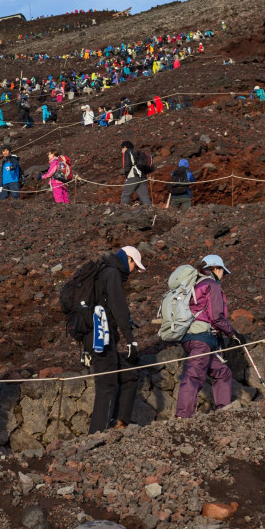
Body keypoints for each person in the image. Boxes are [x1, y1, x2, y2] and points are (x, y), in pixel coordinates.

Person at [87, 246, 145, 433]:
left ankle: (119, 423)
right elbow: (119, 309)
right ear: (128, 259)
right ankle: (96, 436)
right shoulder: (112, 273)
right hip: (101, 338)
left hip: (97, 336)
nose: (135, 270)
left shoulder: (102, 271)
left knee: (130, 376)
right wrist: (131, 341)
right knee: (107, 386)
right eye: (135, 265)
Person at [175, 256, 237, 418]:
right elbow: (216, 317)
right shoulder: (211, 284)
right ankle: (182, 418)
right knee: (194, 375)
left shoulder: (193, 285)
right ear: (216, 269)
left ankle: (223, 412)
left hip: (190, 338)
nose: (223, 275)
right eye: (223, 271)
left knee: (222, 372)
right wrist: (233, 333)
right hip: (201, 339)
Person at [119, 141, 152, 207]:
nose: (121, 151)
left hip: (133, 176)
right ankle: (150, 210)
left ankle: (123, 209)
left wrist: (124, 172)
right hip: (143, 176)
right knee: (144, 196)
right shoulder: (137, 153)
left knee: (126, 194)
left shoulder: (127, 152)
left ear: (125, 147)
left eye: (122, 149)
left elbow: (127, 165)